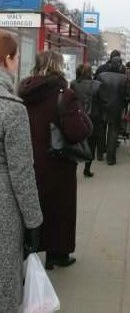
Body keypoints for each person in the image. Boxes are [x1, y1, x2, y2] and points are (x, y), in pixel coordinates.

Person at [18, 51, 92, 270]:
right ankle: (57, 255)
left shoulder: (24, 92)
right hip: (57, 163)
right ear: (58, 66)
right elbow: (75, 132)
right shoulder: (65, 94)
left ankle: (28, 252)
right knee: (59, 209)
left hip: (29, 160)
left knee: (33, 206)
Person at [0, 30, 43, 312]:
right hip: (4, 205)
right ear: (8, 60)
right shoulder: (11, 108)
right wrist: (34, 221)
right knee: (5, 277)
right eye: (16, 59)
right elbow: (21, 171)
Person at [95, 55, 130, 165]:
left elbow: (95, 92)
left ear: (110, 64)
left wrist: (99, 103)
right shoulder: (124, 78)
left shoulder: (101, 76)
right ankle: (111, 159)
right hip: (116, 109)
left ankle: (100, 154)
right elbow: (128, 96)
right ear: (120, 65)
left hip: (102, 107)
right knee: (113, 132)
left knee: (101, 131)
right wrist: (122, 105)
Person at [70, 63, 102, 177]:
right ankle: (87, 169)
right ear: (90, 72)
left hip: (78, 116)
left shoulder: (73, 84)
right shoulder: (97, 85)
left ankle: (73, 167)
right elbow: (101, 102)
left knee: (76, 142)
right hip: (93, 117)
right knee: (92, 144)